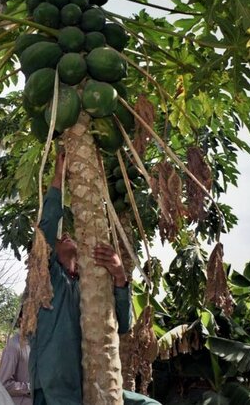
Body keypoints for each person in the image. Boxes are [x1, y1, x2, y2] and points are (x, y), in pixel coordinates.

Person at [29, 150, 160, 405]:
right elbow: (44, 233)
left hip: (95, 378)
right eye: (60, 238)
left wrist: (120, 276)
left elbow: (123, 324)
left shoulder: (87, 284)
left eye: (70, 234)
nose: (66, 235)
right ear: (52, 254)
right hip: (57, 387)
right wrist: (58, 177)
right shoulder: (47, 280)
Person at [0, 314, 32, 405]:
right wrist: (31, 388)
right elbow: (4, 384)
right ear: (21, 320)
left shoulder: (35, 345)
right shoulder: (13, 346)